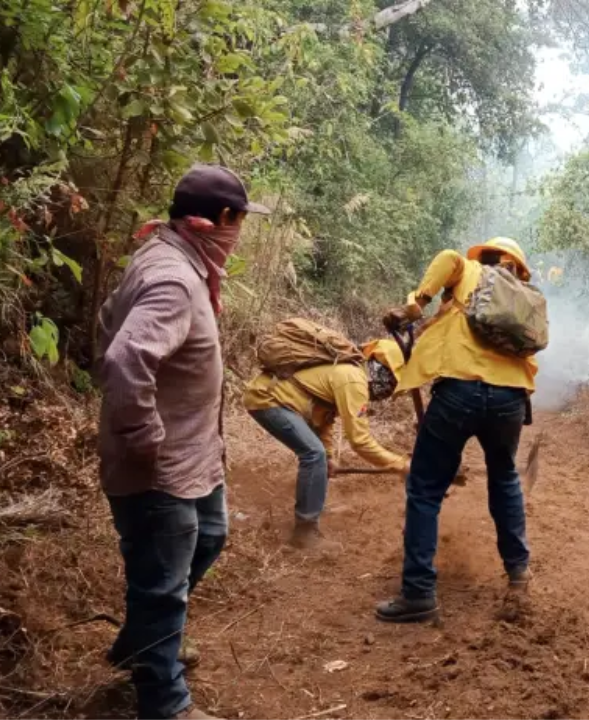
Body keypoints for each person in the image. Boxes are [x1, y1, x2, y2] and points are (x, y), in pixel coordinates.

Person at [98, 164, 268, 720]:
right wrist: (144, 439)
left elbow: (106, 322)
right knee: (164, 582)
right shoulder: (172, 277)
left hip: (195, 457)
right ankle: (165, 701)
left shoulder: (173, 261)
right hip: (161, 466)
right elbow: (124, 356)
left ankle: (142, 638)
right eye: (240, 221)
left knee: (211, 535)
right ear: (222, 218)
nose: (240, 231)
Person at [375, 237, 538, 623]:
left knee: (425, 487)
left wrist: (416, 303)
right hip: (510, 400)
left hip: (460, 390)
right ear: (517, 267)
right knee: (504, 479)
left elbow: (449, 257)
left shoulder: (469, 271)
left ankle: (418, 593)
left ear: (483, 257)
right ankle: (518, 574)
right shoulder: (524, 299)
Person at [242, 338, 410, 548]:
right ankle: (304, 532)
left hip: (275, 398)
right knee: (314, 454)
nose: (389, 388)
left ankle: (313, 506)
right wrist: (401, 464)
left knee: (320, 455)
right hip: (268, 399)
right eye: (391, 380)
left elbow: (323, 418)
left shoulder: (350, 374)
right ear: (380, 371)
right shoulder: (353, 380)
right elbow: (360, 441)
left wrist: (330, 456)